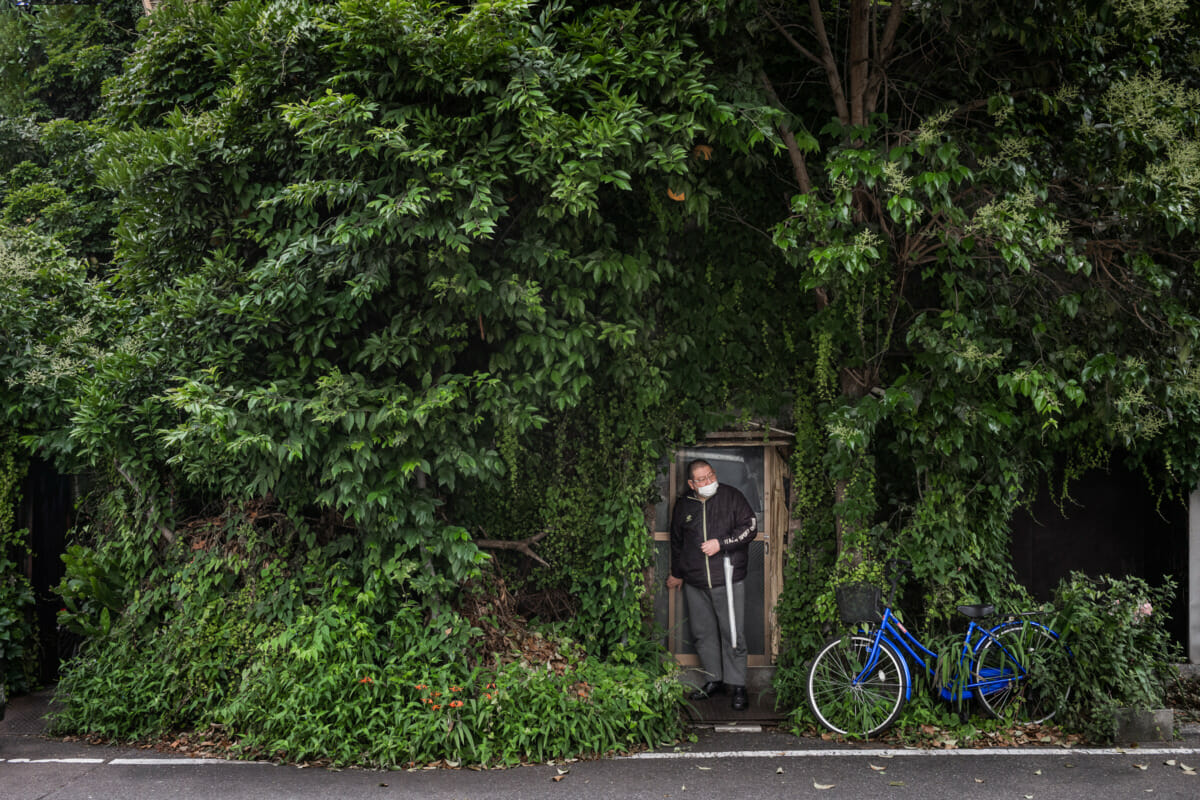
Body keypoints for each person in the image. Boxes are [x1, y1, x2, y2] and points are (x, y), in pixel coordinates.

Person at [666, 458, 755, 711]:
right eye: (702, 479)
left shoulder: (731, 496)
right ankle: (714, 679)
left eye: (711, 476)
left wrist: (721, 544)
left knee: (733, 634)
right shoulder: (684, 505)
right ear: (692, 484)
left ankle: (737, 685)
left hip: (727, 578)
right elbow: (677, 541)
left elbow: (750, 527)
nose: (708, 482)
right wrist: (677, 573)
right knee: (703, 635)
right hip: (695, 581)